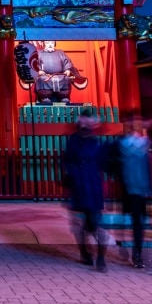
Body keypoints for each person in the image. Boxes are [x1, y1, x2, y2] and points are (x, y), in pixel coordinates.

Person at [63, 107, 110, 271]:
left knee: (94, 223)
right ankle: (85, 253)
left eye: (88, 119)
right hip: (78, 185)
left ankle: (100, 256)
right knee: (79, 223)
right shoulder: (73, 141)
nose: (84, 122)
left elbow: (104, 162)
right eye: (83, 118)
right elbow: (66, 161)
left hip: (93, 186)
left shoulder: (96, 142)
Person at [110, 113, 152, 269]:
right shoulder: (123, 143)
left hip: (136, 188)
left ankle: (136, 252)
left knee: (135, 221)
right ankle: (130, 249)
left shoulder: (141, 143)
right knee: (131, 221)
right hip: (131, 187)